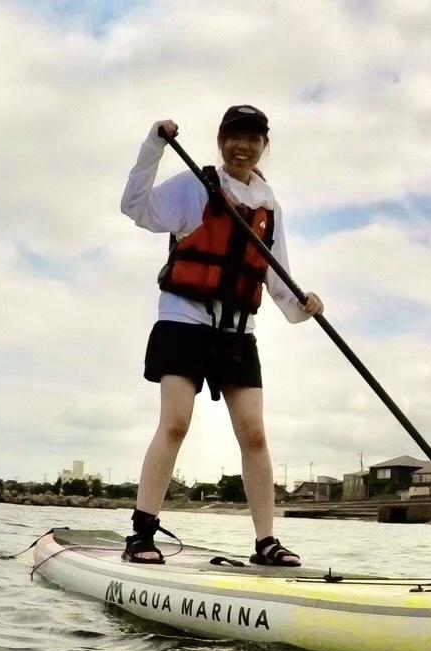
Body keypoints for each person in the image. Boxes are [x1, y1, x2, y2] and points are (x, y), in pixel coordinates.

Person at [119, 104, 323, 566]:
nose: (243, 147)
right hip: (183, 318)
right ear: (220, 140)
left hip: (236, 330)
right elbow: (135, 208)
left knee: (254, 435)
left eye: (253, 139)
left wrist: (303, 303)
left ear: (263, 146)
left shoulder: (268, 205)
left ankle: (266, 542)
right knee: (175, 423)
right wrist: (154, 143)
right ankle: (142, 534)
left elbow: (278, 274)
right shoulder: (196, 185)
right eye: (235, 137)